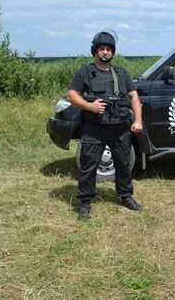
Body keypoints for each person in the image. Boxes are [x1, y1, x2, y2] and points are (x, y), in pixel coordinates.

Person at [67, 29, 144, 219]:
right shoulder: (85, 72)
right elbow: (72, 94)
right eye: (101, 48)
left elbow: (133, 96)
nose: (105, 52)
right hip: (94, 127)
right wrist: (90, 106)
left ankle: (126, 196)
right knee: (88, 165)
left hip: (120, 127)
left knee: (123, 164)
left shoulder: (121, 73)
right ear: (95, 50)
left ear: (113, 52)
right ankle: (85, 202)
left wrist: (138, 120)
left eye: (109, 49)